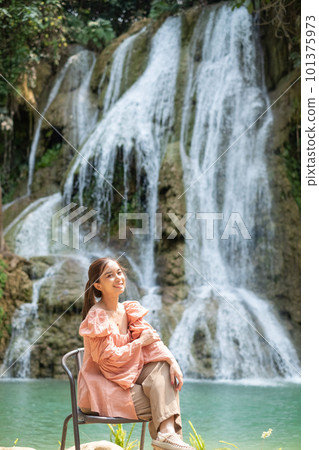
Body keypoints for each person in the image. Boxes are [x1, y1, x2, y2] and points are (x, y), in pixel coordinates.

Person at [77, 257, 195, 450]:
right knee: (164, 402)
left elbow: (152, 342)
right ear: (97, 285)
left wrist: (173, 361)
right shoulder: (97, 315)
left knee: (162, 367)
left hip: (126, 376)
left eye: (119, 272)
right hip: (101, 387)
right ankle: (166, 437)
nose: (118, 278)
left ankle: (166, 436)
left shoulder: (129, 310)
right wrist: (139, 343)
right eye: (109, 275)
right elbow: (109, 361)